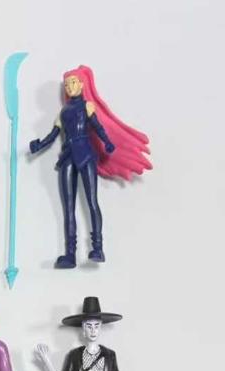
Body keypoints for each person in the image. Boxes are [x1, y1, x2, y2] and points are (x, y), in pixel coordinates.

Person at [29, 65, 151, 268]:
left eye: (73, 83)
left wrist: (107, 142)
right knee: (68, 207)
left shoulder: (87, 106)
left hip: (86, 154)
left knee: (92, 201)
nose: (70, 87)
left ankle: (98, 248)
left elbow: (98, 127)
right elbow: (53, 136)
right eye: (67, 84)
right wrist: (39, 145)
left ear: (81, 85)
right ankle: (70, 254)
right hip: (68, 157)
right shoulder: (63, 113)